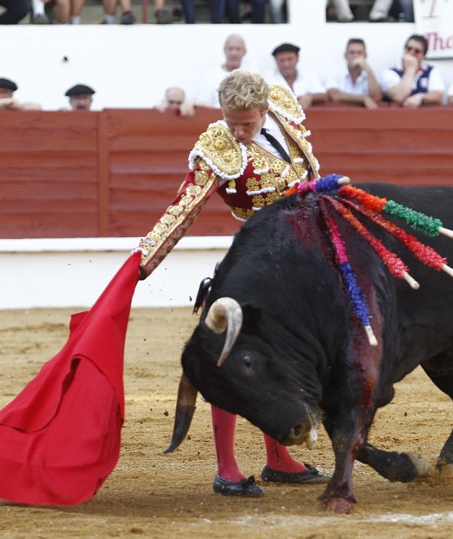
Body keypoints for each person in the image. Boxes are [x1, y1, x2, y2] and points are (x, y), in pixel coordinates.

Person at [137, 70, 329, 497]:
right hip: (258, 262)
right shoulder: (217, 147)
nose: (238, 133)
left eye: (247, 123)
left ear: (265, 108)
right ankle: (227, 468)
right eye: (231, 122)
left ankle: (279, 458)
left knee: (283, 359)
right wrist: (145, 259)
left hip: (304, 258)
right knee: (229, 356)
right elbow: (185, 206)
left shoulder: (282, 106)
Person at [380, 34, 444, 107]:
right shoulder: (390, 72)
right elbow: (398, 96)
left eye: (417, 51)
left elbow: (439, 96)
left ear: (424, 56)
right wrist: (411, 68)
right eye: (409, 48)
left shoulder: (431, 70)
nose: (411, 53)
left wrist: (421, 97)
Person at [325, 38, 382, 109]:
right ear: (345, 55)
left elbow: (376, 98)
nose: (355, 56)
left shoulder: (369, 74)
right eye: (352, 52)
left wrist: (368, 70)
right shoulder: (335, 73)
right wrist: (363, 99)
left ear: (365, 56)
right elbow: (334, 95)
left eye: (359, 53)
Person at [268, 42, 327, 109]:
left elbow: (324, 95)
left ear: (297, 59)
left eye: (290, 59)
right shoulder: (267, 78)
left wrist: (310, 97)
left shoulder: (308, 76)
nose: (286, 64)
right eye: (282, 60)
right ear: (276, 61)